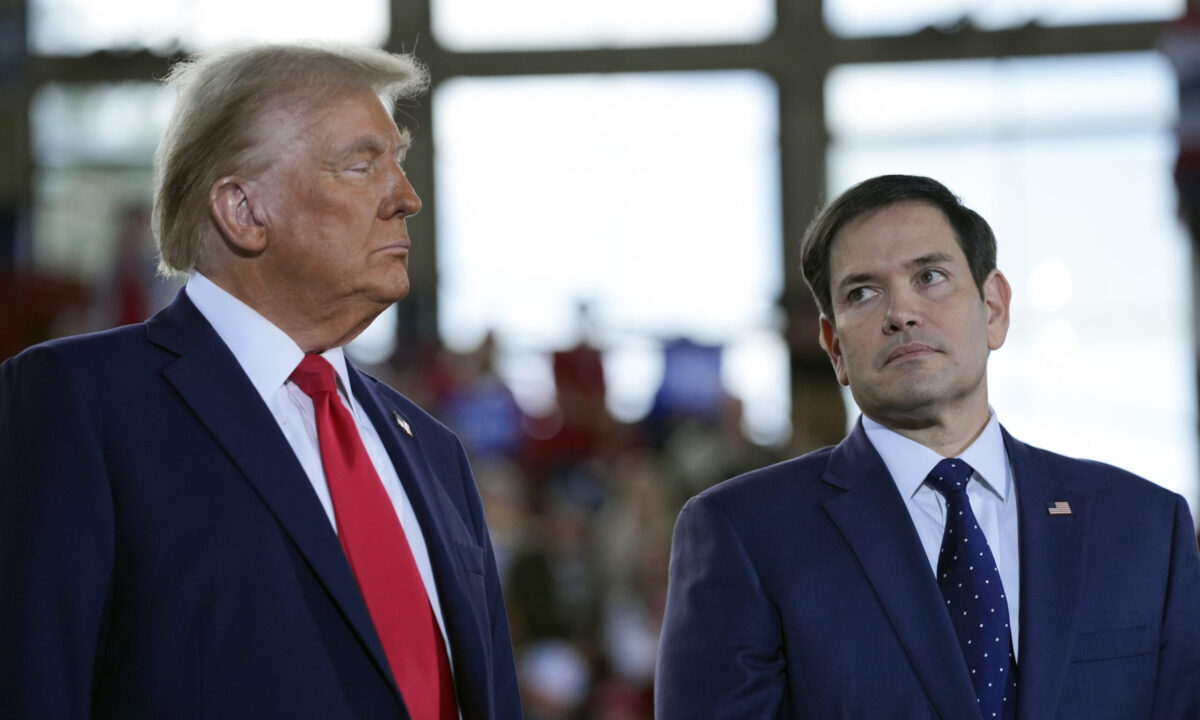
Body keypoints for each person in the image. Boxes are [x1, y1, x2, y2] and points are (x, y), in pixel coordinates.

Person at [0, 43, 521, 719]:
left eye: (397, 161)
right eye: (361, 165)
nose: (407, 197)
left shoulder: (434, 450)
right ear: (243, 210)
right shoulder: (80, 402)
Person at [655, 174, 1200, 719]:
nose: (901, 312)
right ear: (835, 347)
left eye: (930, 276)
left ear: (993, 308)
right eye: (862, 292)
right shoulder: (744, 533)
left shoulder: (1145, 524)